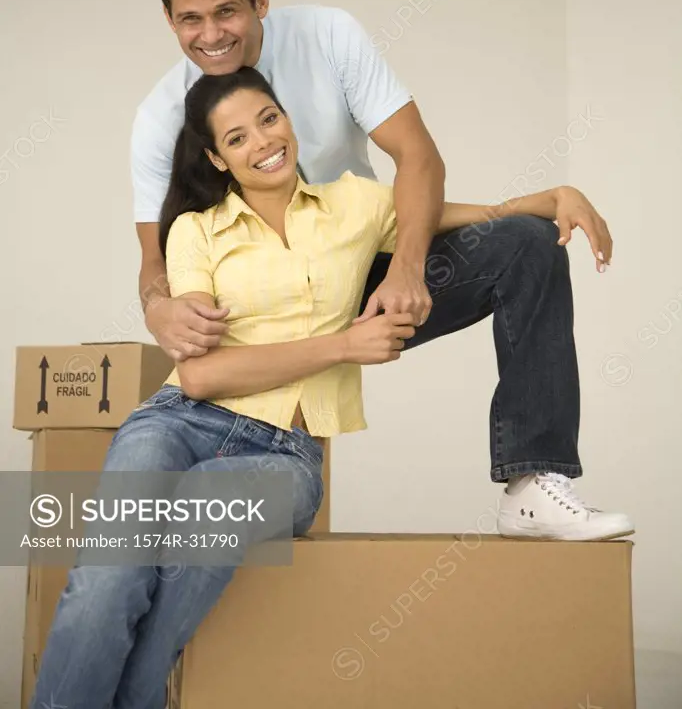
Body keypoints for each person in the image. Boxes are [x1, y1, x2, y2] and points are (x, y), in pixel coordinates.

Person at [31, 67, 633, 709]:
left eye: (269, 118)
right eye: (236, 138)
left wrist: (553, 194)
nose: (263, 141)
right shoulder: (195, 231)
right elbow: (202, 376)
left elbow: (480, 222)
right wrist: (344, 346)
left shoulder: (356, 207)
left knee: (198, 528)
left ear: (286, 117)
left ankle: (534, 481)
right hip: (177, 422)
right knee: (107, 581)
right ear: (217, 158)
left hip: (286, 452)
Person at [131, 0, 632, 538]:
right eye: (191, 19)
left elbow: (417, 160)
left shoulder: (327, 37)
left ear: (262, 1)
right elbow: (153, 262)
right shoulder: (161, 117)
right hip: (260, 317)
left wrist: (410, 266)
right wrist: (159, 311)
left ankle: (534, 485)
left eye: (227, 11)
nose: (211, 35)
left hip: (362, 282)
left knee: (529, 245)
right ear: (168, 18)